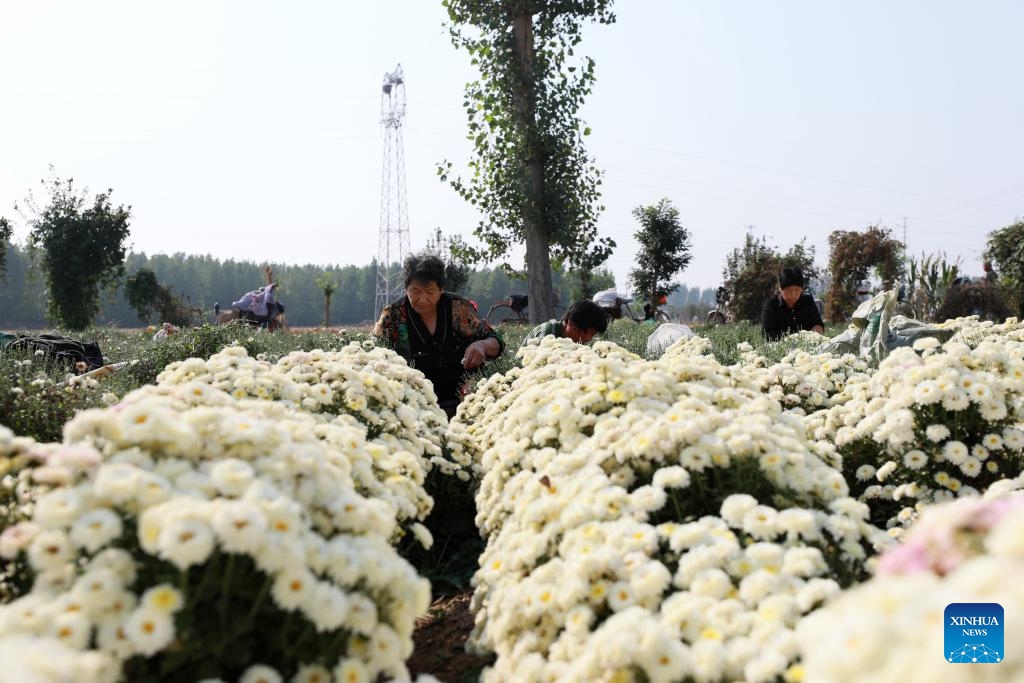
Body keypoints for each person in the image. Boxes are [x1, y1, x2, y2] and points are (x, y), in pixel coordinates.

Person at [374, 253, 504, 417]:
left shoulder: (457, 308)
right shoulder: (394, 315)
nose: (423, 299)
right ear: (405, 289)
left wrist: (482, 345)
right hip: (415, 407)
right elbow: (372, 354)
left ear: (441, 289)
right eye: (415, 292)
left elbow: (496, 341)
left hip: (468, 403)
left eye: (430, 292)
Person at [761, 267, 825, 341]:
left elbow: (818, 323)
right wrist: (789, 342)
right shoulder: (771, 305)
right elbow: (767, 332)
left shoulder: (808, 301)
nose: (793, 294)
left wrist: (813, 335)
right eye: (789, 290)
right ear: (780, 288)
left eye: (797, 289)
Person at [521, 300, 609, 349]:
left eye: (594, 334)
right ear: (571, 323)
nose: (589, 338)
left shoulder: (573, 343)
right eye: (590, 332)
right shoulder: (548, 333)